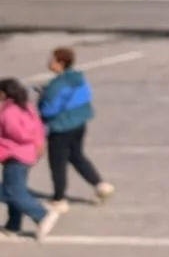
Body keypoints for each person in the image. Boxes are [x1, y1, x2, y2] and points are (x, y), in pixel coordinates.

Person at [37, 46, 113, 209]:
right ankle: (100, 184)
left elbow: (49, 110)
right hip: (79, 123)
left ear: (60, 63)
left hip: (61, 127)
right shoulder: (78, 79)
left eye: (52, 59)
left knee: (57, 163)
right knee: (76, 155)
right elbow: (84, 96)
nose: (49, 62)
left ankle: (59, 198)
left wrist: (42, 99)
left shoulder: (56, 85)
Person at [1, 77, 59, 241]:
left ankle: (42, 215)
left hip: (14, 155)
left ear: (4, 93)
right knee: (14, 190)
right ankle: (13, 225)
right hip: (27, 155)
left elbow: (17, 133)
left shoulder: (8, 112)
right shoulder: (26, 106)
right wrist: (38, 143)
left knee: (12, 192)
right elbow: (39, 127)